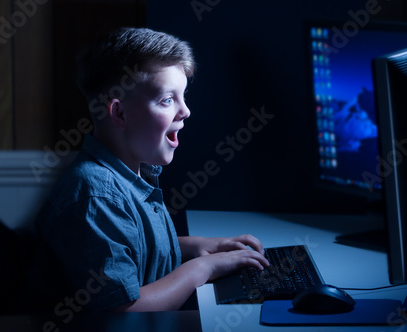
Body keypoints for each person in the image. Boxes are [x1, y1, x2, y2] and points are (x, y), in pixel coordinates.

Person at [28, 27, 269, 313]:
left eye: (183, 96)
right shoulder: (97, 197)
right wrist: (202, 268)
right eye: (168, 100)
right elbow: (125, 310)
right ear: (119, 113)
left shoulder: (132, 171)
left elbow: (134, 248)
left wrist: (197, 246)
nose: (185, 111)